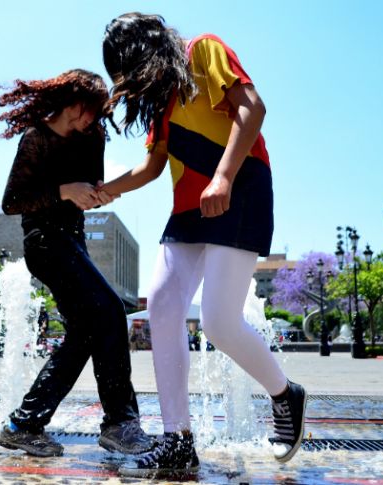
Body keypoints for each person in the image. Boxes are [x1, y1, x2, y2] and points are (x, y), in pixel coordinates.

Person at [100, 13, 308, 477]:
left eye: (131, 71)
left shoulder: (203, 51)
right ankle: (177, 439)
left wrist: (223, 177)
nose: (132, 84)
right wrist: (105, 190)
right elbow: (152, 169)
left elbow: (252, 108)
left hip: (241, 187)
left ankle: (284, 394)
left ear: (148, 51)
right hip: (188, 208)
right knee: (163, 303)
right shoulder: (160, 102)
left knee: (217, 321)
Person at [0, 69, 153, 458]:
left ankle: (23, 424)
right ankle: (119, 423)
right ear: (72, 102)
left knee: (86, 333)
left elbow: (89, 186)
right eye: (88, 112)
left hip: (73, 242)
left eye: (96, 115)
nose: (92, 121)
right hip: (44, 244)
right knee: (111, 310)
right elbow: (12, 202)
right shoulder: (36, 139)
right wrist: (64, 191)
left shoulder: (92, 136)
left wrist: (97, 195)